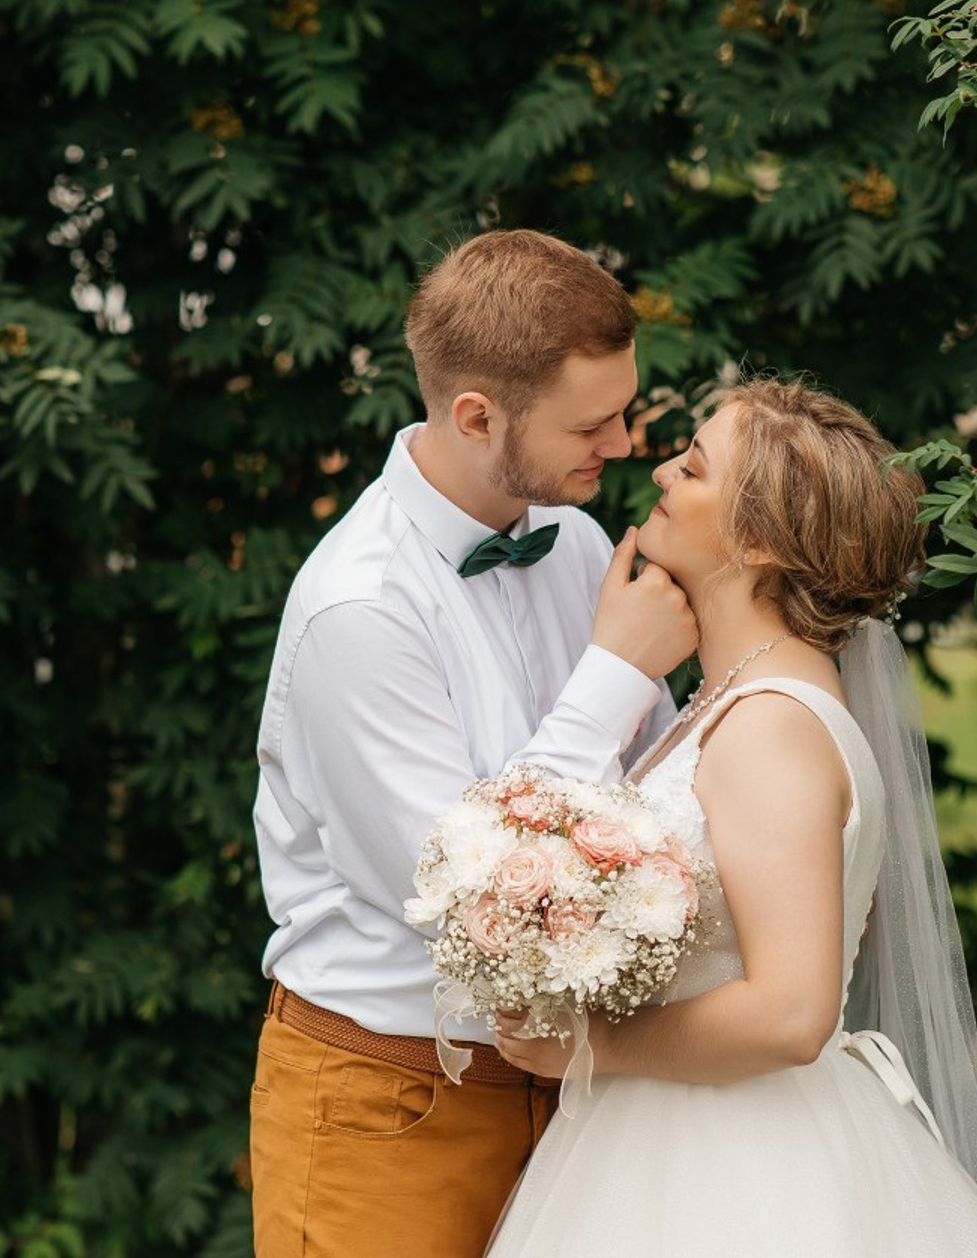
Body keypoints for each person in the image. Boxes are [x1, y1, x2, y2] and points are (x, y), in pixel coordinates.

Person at [486, 378, 977, 1256]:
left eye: (693, 469)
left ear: (758, 539)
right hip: (678, 1133)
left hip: (731, 1169)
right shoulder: (734, 703)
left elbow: (791, 1012)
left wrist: (590, 1042)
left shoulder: (770, 728)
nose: (661, 472)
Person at [247, 229, 691, 1258]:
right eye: (594, 421)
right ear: (475, 415)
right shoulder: (355, 609)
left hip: (584, 1096)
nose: (623, 445)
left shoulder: (576, 540)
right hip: (391, 1098)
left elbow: (650, 805)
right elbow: (476, 904)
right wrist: (615, 674)